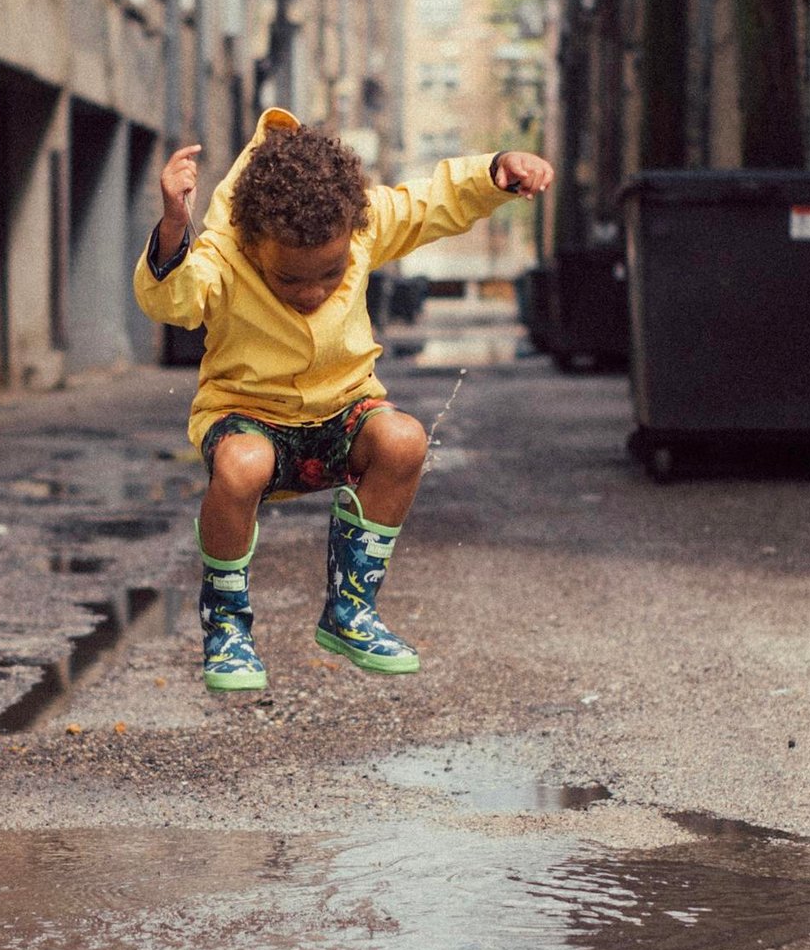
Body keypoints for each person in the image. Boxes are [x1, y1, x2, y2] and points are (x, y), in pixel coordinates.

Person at [134, 108, 552, 693]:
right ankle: (226, 625)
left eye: (330, 274)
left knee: (404, 438)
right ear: (254, 245)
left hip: (342, 411)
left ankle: (350, 609)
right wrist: (176, 225)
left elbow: (427, 202)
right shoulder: (224, 256)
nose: (312, 292)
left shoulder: (360, 225)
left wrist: (495, 171)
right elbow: (171, 303)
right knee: (241, 465)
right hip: (251, 418)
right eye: (289, 280)